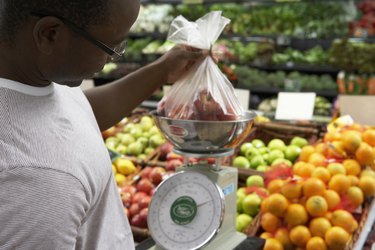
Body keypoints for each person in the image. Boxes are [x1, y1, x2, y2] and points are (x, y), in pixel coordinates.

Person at [0, 0, 207, 249]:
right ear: (49, 34)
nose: (114, 55)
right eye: (111, 45)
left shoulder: (31, 77)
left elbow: (73, 116)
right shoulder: (38, 184)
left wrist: (162, 71)